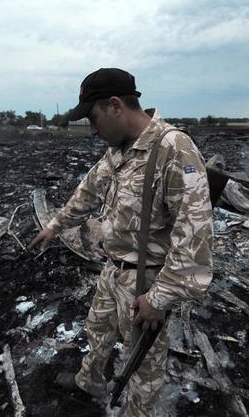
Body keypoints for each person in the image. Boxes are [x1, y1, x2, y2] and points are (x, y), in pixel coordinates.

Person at [29, 68, 213, 416]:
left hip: (147, 282)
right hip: (113, 270)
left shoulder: (173, 149)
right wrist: (55, 226)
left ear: (116, 106)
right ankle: (90, 382)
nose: (94, 130)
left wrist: (159, 299)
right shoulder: (119, 149)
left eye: (94, 118)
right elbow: (88, 191)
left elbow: (195, 239)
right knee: (97, 331)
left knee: (143, 367)